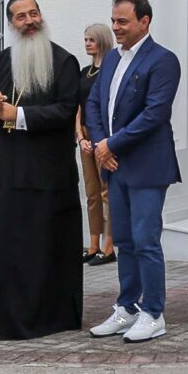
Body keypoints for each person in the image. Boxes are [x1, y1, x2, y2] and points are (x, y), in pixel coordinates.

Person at [0, 0, 83, 339]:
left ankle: (41, 319)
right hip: (4, 175)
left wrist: (17, 115)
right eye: (21, 17)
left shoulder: (63, 62)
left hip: (45, 177)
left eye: (33, 13)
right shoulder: (1, 61)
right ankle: (0, 318)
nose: (29, 21)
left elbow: (65, 110)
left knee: (38, 252)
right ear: (11, 24)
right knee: (4, 250)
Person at [86, 0, 182, 344]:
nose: (116, 27)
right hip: (114, 164)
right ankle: (127, 307)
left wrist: (111, 145)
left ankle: (153, 313)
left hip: (147, 166)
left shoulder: (163, 60)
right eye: (113, 20)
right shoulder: (112, 58)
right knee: (123, 241)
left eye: (123, 21)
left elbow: (155, 114)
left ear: (145, 21)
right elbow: (94, 102)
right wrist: (102, 144)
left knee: (145, 241)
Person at [78, 23, 116, 265]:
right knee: (91, 192)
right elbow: (78, 107)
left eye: (91, 39)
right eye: (85, 40)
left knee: (106, 192)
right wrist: (79, 137)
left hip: (103, 137)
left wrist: (103, 139)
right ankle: (92, 244)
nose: (87, 44)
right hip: (85, 137)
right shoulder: (84, 72)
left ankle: (108, 246)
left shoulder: (111, 71)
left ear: (102, 40)